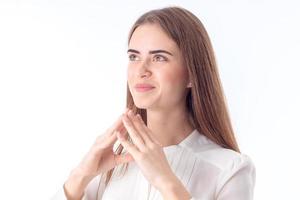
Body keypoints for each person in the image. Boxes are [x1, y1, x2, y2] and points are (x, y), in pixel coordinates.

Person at [51, 6, 256, 200]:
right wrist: (80, 176)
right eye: (134, 56)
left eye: (159, 58)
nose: (141, 70)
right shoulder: (111, 164)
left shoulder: (231, 168)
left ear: (192, 74)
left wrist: (166, 182)